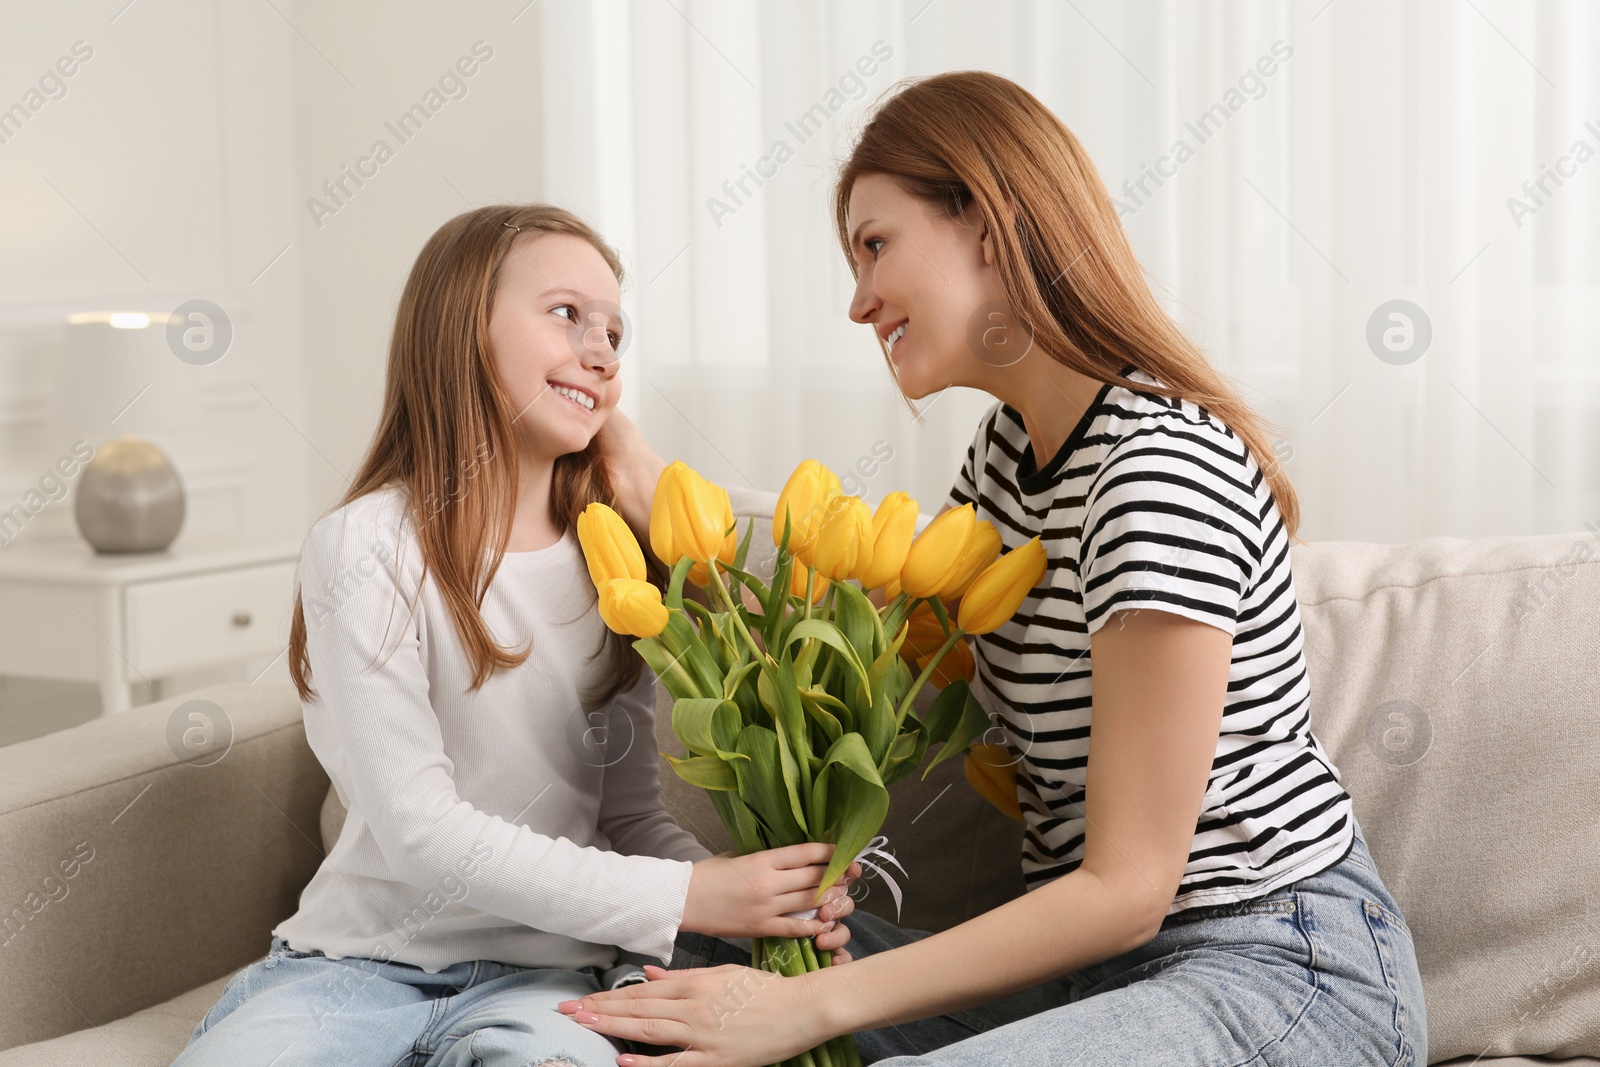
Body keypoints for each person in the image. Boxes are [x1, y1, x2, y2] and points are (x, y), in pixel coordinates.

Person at [558, 71, 1428, 1067]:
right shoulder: (1005, 459)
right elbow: (854, 642)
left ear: (987, 221)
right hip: (1098, 981)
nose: (856, 301)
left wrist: (810, 1006)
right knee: (678, 956)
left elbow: (1129, 889)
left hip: (1278, 967)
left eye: (874, 245)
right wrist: (634, 471)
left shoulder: (1157, 469)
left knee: (781, 1008)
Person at [169, 204, 859, 1067]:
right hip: (359, 966)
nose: (603, 348)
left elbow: (630, 816)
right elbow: (422, 833)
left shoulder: (620, 559)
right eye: (568, 313)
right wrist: (692, 893)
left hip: (554, 979)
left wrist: (757, 897)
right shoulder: (366, 547)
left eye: (616, 329)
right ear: (462, 327)